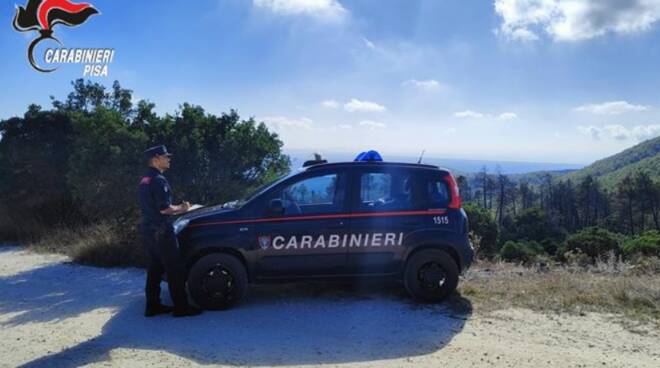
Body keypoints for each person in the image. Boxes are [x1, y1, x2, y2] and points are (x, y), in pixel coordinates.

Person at [138, 145, 202, 318]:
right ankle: (181, 308)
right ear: (156, 159)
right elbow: (164, 209)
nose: (168, 159)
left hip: (148, 229)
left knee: (154, 268)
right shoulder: (159, 180)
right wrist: (183, 208)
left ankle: (152, 306)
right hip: (161, 230)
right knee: (175, 269)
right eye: (165, 157)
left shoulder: (145, 179)